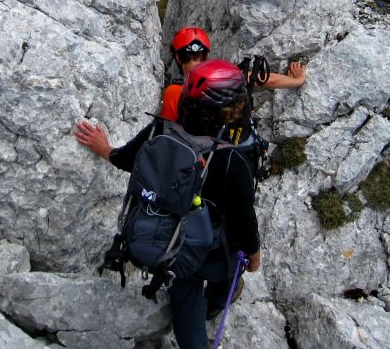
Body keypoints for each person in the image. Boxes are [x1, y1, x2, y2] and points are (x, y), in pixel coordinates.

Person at [75, 59, 261, 349]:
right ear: (231, 113)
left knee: (186, 301)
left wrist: (104, 148)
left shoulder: (158, 132)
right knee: (226, 278)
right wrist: (253, 255)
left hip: (176, 250)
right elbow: (243, 218)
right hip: (215, 258)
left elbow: (128, 160)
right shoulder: (233, 161)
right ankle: (215, 303)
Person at [161, 26, 308, 121]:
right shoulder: (222, 79)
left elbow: (167, 136)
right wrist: (297, 81)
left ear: (178, 58)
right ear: (205, 56)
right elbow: (264, 79)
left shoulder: (173, 93)